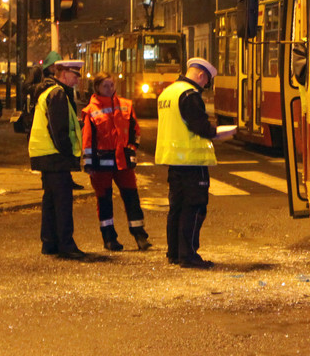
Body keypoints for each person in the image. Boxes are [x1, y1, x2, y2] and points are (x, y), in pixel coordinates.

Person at [155, 57, 234, 269]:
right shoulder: (189, 95)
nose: (205, 85)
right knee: (194, 208)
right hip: (192, 161)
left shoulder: (168, 93)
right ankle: (188, 255)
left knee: (177, 208)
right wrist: (221, 133)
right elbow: (200, 126)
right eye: (206, 80)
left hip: (174, 161)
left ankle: (174, 253)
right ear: (200, 75)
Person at [27, 55, 89, 260]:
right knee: (62, 201)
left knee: (51, 200)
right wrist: (68, 153)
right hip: (55, 155)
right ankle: (65, 244)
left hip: (45, 154)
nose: (78, 80)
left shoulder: (49, 92)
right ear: (63, 74)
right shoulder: (58, 94)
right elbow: (59, 129)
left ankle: (50, 242)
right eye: (75, 75)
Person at [81, 72, 151, 252]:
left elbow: (135, 130)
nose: (109, 89)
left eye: (111, 85)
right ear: (97, 88)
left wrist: (133, 148)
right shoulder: (90, 111)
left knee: (132, 198)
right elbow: (88, 139)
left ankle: (139, 235)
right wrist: (88, 163)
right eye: (105, 86)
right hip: (101, 163)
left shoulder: (126, 105)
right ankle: (109, 238)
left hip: (123, 161)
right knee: (104, 201)